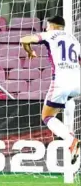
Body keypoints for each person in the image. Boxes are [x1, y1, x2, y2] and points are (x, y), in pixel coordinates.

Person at [20, 16, 80, 164]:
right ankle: (70, 134)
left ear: (52, 26)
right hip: (78, 81)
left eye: (47, 26)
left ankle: (70, 139)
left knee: (46, 116)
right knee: (67, 100)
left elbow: (24, 39)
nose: (46, 28)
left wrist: (29, 51)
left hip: (61, 81)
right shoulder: (74, 39)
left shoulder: (49, 35)